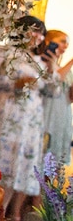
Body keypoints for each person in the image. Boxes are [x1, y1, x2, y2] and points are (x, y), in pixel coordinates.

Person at [0, 16, 48, 221]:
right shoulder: (3, 52)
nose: (39, 36)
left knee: (17, 166)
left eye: (41, 33)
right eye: (35, 30)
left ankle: (4, 212)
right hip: (5, 115)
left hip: (29, 122)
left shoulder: (37, 60)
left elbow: (50, 87)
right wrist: (15, 83)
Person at [42, 29, 73, 166]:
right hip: (46, 110)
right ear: (49, 41)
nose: (66, 46)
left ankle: (47, 186)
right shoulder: (43, 63)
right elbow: (54, 82)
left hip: (62, 113)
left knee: (54, 161)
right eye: (62, 41)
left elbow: (69, 97)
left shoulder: (65, 68)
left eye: (67, 44)